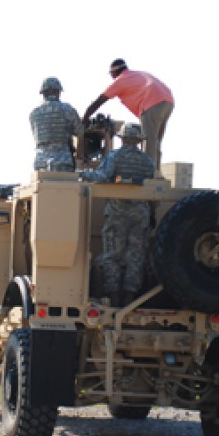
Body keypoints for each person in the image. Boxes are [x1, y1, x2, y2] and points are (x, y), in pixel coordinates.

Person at [79, 123, 155, 307]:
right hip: (140, 214)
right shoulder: (147, 161)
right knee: (136, 256)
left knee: (112, 255)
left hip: (117, 213)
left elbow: (103, 177)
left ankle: (114, 298)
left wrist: (84, 174)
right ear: (138, 140)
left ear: (121, 138)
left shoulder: (115, 156)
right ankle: (130, 298)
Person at [82, 59, 174, 170]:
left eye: (111, 74)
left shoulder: (120, 81)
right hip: (167, 101)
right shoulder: (137, 74)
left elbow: (99, 101)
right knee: (155, 141)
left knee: (148, 141)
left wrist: (85, 118)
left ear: (115, 72)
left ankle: (148, 175)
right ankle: (156, 173)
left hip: (151, 102)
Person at [30, 77, 84, 172]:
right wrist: (79, 159)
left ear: (43, 93)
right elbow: (80, 133)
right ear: (58, 92)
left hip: (40, 162)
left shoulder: (34, 113)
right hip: (63, 161)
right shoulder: (67, 109)